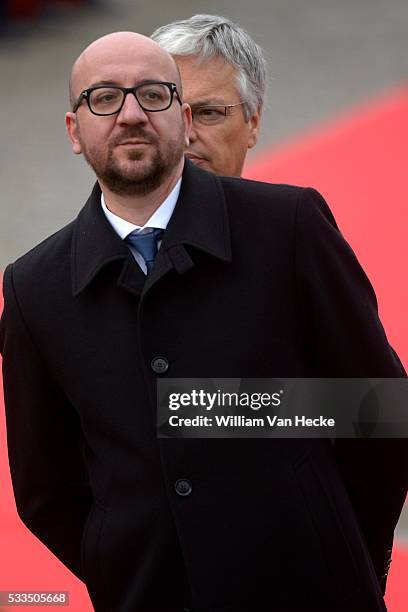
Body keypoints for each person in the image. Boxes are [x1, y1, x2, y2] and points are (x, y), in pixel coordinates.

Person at [0, 30, 406, 612]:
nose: (131, 114)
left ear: (181, 116)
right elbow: (46, 490)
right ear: (74, 130)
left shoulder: (288, 226)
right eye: (104, 99)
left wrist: (343, 554)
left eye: (154, 96)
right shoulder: (33, 286)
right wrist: (124, 567)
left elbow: (380, 414)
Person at [151, 14, 266, 177]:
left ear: (253, 123)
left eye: (208, 113)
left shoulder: (294, 203)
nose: (186, 135)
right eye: (168, 113)